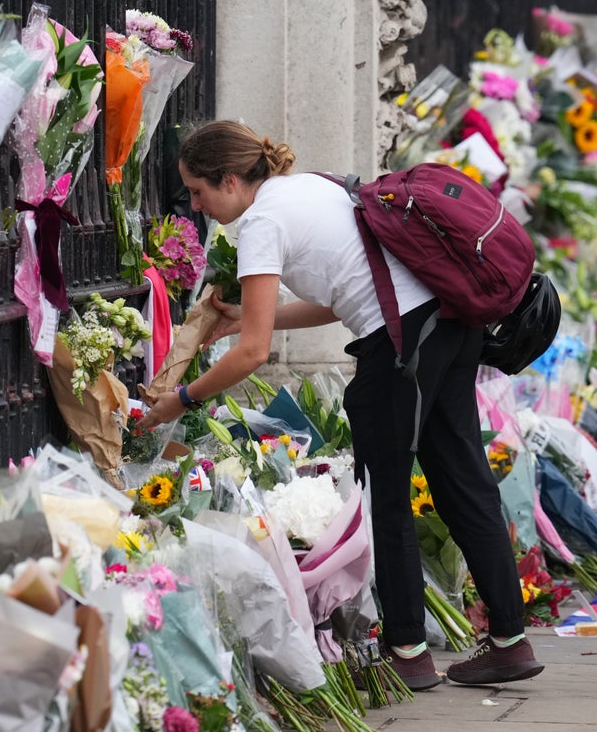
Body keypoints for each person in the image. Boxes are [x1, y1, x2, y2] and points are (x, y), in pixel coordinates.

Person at [139, 120, 544, 688]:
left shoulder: (260, 223)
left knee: (387, 495)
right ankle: (509, 641)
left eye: (199, 192)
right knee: (465, 480)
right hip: (450, 327)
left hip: (401, 346)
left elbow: (253, 352)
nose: (198, 206)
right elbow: (341, 295)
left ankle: (408, 655)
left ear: (229, 180)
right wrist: (251, 315)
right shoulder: (313, 187)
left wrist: (179, 400)